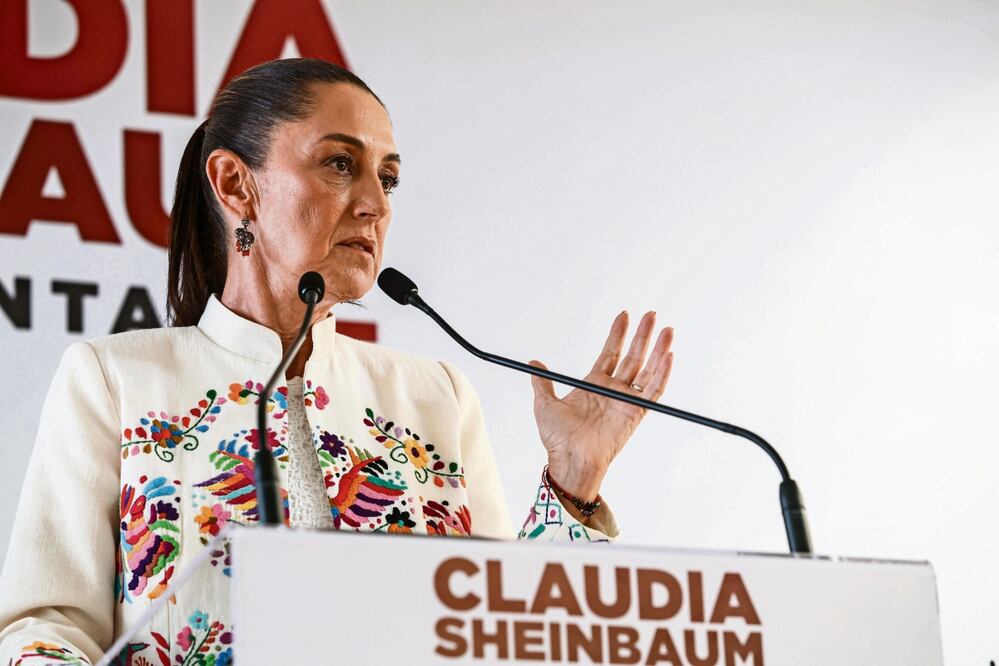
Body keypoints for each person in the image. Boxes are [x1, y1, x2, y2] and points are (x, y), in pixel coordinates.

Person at [0, 58, 674, 664]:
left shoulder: (435, 394)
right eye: (338, 164)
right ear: (235, 184)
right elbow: (44, 626)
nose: (376, 206)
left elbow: (504, 633)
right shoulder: (117, 378)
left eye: (388, 178)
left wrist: (574, 483)